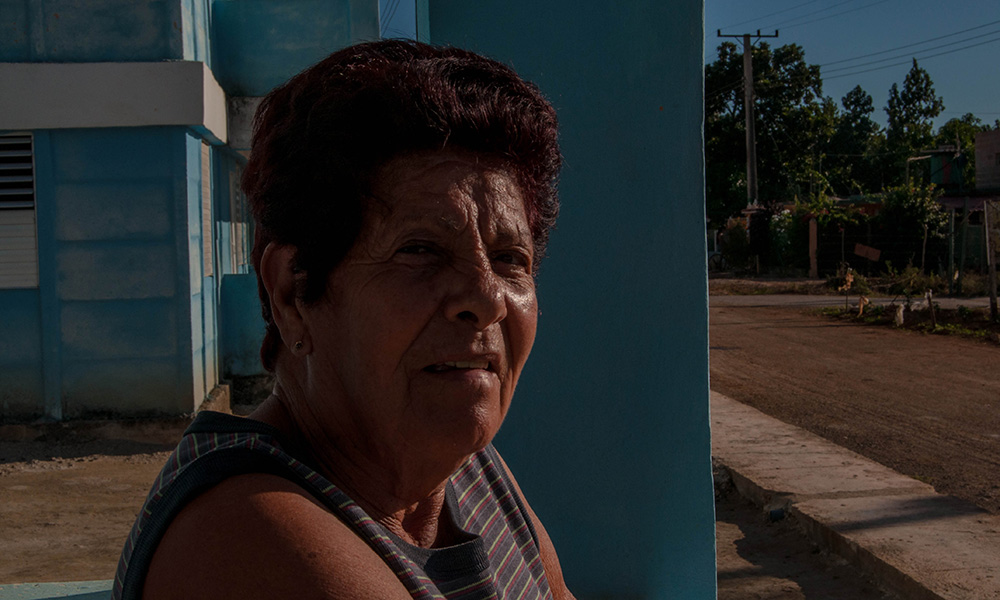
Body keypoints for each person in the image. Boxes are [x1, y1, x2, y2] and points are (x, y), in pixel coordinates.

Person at [112, 40, 574, 599]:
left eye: (509, 259)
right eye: (420, 250)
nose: (486, 297)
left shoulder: (466, 470)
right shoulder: (250, 534)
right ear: (292, 292)